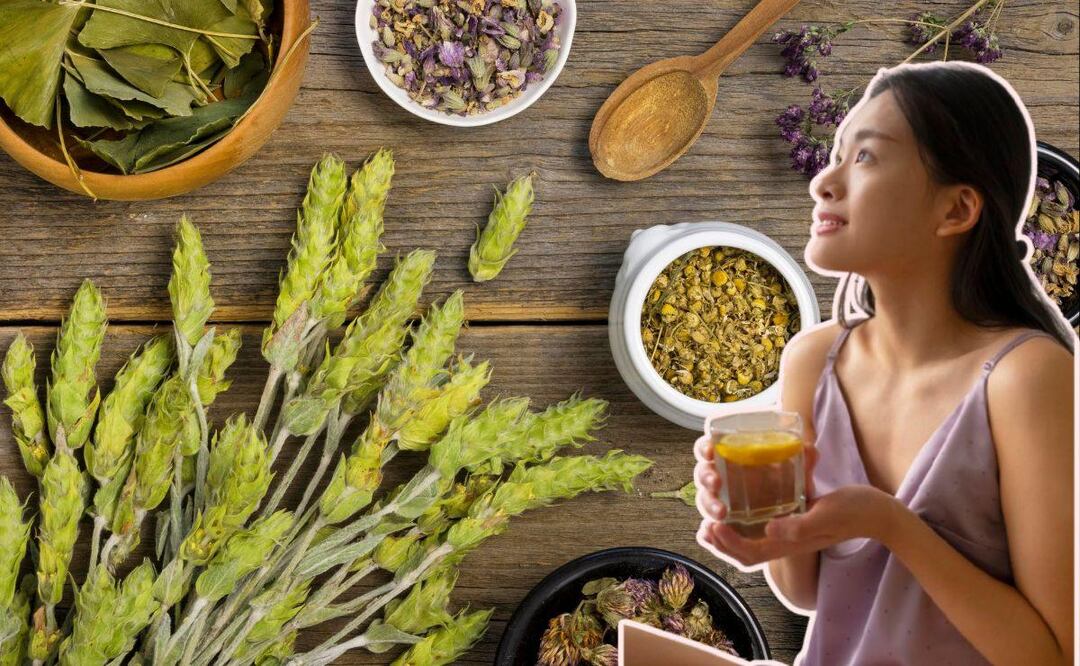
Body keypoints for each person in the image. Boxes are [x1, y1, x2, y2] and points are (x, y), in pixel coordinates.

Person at [693, 61, 1076, 665]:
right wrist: (760, 528)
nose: (823, 181)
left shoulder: (1026, 376)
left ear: (956, 211)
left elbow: (1051, 656)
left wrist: (889, 524)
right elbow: (806, 590)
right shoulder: (813, 359)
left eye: (865, 157)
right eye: (837, 153)